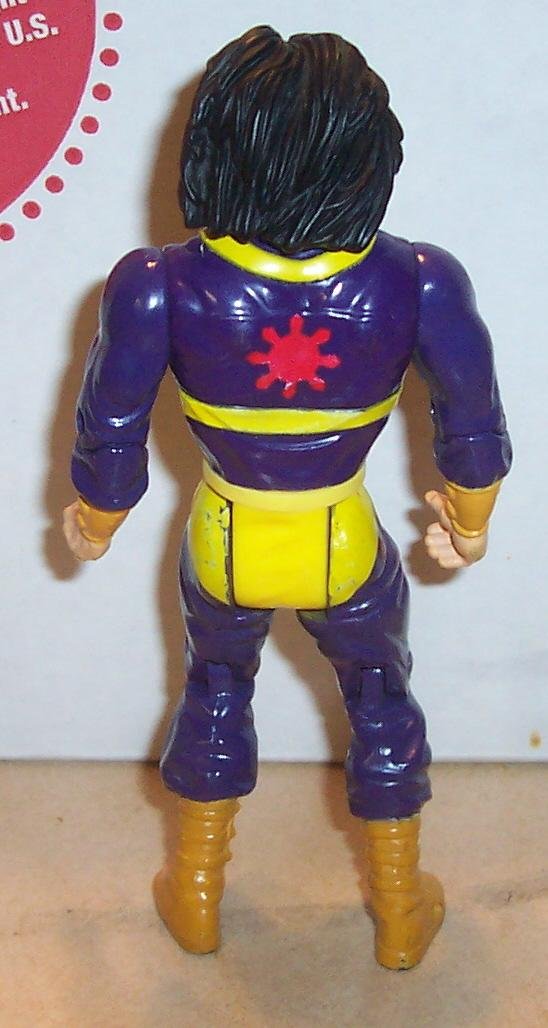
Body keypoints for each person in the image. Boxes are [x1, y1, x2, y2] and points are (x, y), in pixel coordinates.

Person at [63, 26, 512, 969]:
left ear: (216, 144)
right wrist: (469, 523)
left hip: (226, 535)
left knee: (214, 688)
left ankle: (196, 892)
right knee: (380, 696)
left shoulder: (158, 285)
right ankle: (399, 906)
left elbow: (112, 429)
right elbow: (471, 422)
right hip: (341, 534)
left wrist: (95, 520)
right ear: (368, 155)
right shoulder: (417, 281)